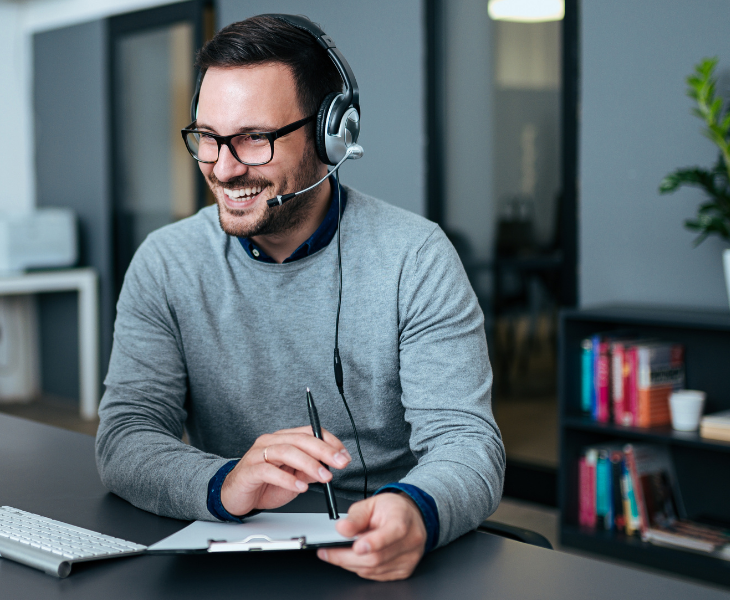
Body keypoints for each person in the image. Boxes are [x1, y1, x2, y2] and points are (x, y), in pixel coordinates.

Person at [96, 14, 504, 582]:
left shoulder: (415, 257)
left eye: (254, 139)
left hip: (378, 555)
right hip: (234, 554)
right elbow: (126, 437)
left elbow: (467, 442)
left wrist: (414, 511)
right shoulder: (166, 262)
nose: (224, 167)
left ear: (330, 135)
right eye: (208, 137)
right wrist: (224, 483)